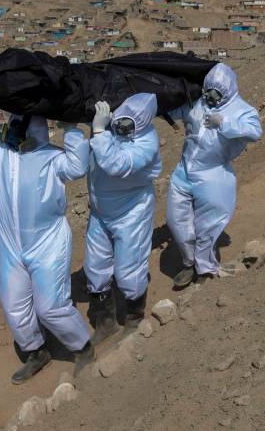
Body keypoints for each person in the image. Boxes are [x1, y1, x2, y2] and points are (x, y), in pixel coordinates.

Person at [0, 94, 94, 384]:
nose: (17, 127)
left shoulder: (52, 157)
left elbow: (78, 167)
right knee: (14, 305)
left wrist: (71, 129)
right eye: (14, 121)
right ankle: (36, 351)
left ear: (36, 127)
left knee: (51, 307)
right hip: (12, 248)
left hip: (48, 244)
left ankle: (83, 347)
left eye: (24, 122)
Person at [166, 63, 262, 287]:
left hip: (213, 173)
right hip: (183, 171)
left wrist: (224, 123)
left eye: (217, 92)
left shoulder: (241, 110)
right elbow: (175, 110)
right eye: (208, 90)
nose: (211, 96)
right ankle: (189, 262)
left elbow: (255, 131)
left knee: (208, 224)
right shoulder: (197, 101)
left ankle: (205, 267)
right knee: (176, 220)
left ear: (228, 90)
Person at [85, 93, 162, 342]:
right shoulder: (111, 129)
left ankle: (134, 316)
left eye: (129, 124)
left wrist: (99, 131)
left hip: (131, 211)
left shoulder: (146, 143)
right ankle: (105, 321)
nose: (121, 127)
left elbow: (116, 164)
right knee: (95, 267)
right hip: (100, 211)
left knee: (129, 267)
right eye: (120, 120)